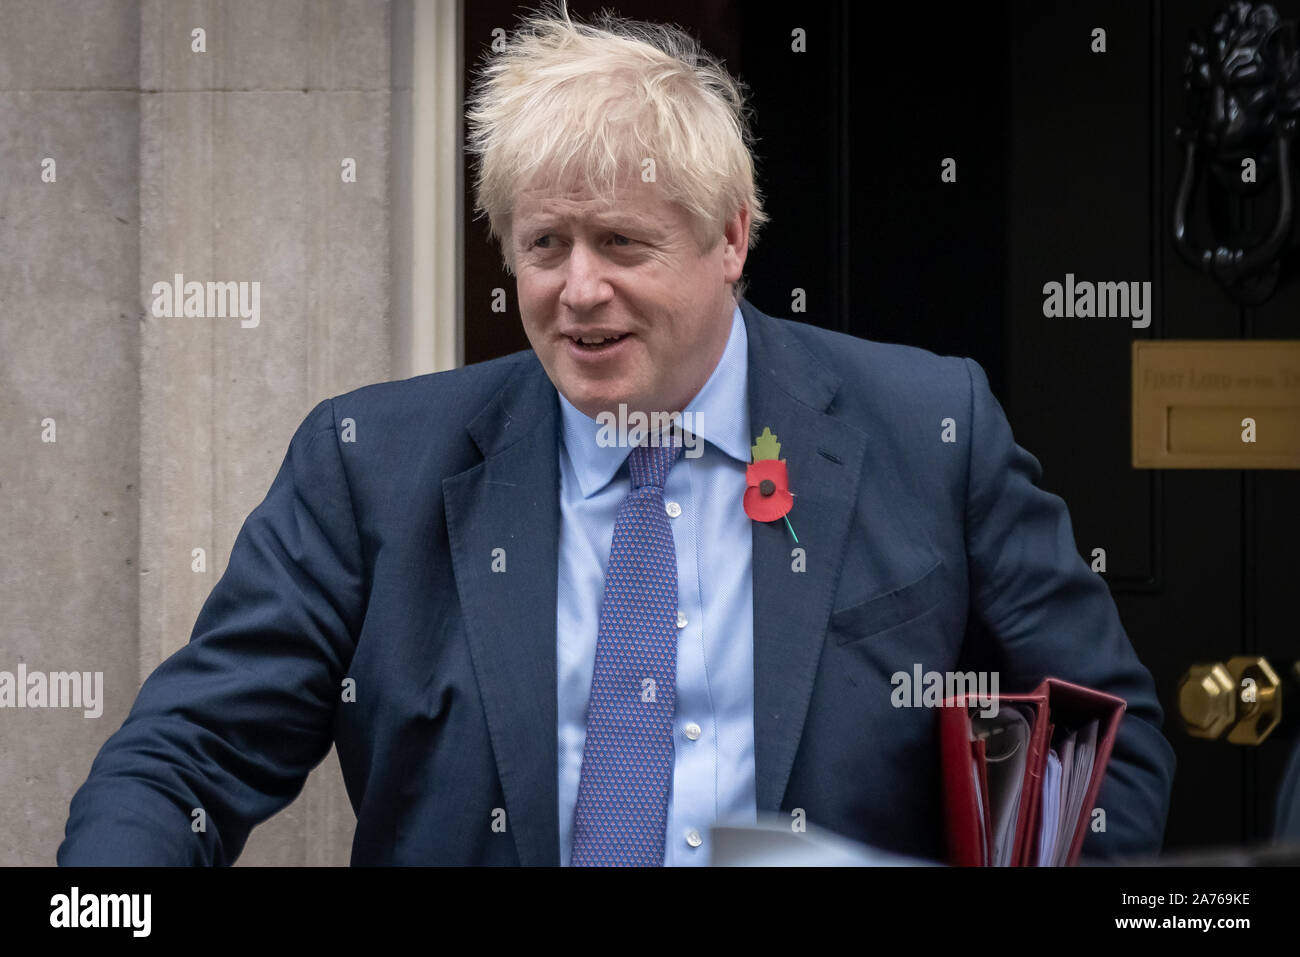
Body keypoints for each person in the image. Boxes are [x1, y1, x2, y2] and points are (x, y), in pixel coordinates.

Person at [58, 4, 1175, 867]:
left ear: (731, 238)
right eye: (544, 245)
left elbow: (1104, 745)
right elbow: (185, 758)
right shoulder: (369, 466)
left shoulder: (929, 431)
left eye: (621, 244)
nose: (577, 292)